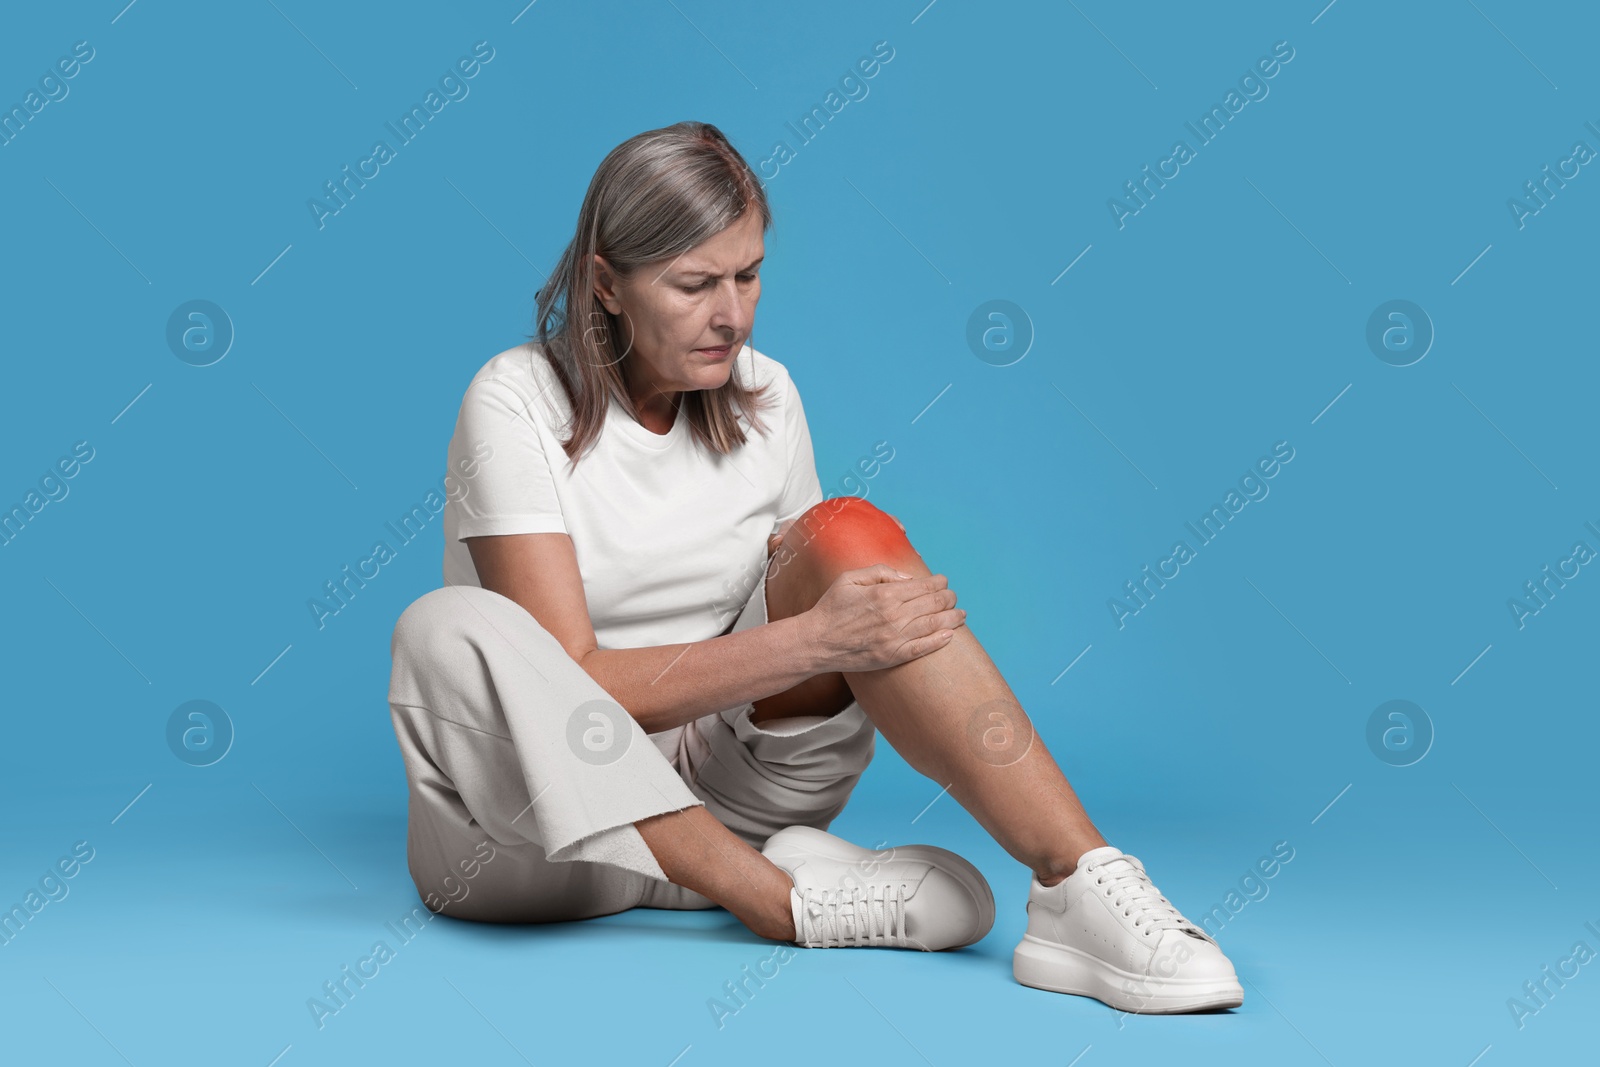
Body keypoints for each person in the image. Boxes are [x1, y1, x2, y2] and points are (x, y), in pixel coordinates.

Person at [386, 120, 1243, 1013]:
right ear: (606, 283)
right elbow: (580, 681)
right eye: (694, 284)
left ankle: (1080, 884)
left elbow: (834, 606)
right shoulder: (513, 400)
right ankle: (772, 895)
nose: (734, 314)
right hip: (536, 852)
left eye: (748, 275)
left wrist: (835, 621)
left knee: (845, 534)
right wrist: (814, 641)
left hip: (738, 791)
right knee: (448, 627)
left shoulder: (766, 394)